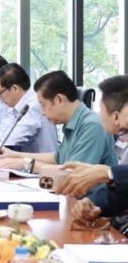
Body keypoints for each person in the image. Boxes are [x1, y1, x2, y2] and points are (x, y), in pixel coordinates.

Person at [0, 70, 116, 172]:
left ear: (59, 100)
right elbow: (57, 158)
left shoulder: (91, 125)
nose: (42, 112)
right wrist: (15, 155)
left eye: (43, 105)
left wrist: (26, 164)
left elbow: (74, 173)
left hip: (92, 195)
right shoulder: (72, 122)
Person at [58, 76, 128, 221]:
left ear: (116, 116)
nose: (98, 115)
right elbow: (122, 190)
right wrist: (93, 203)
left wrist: (107, 173)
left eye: (100, 110)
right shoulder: (120, 135)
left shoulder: (92, 125)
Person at [0, 63, 58, 153]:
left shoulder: (33, 105)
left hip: (42, 160)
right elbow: (6, 127)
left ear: (15, 89)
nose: (0, 99)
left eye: (0, 92)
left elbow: (14, 138)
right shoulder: (19, 106)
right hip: (27, 159)